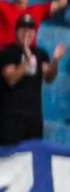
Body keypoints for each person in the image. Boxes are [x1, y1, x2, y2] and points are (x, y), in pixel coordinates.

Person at [0, 14, 64, 145]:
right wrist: (27, 62)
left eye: (30, 29)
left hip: (33, 118)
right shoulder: (7, 52)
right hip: (10, 118)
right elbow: (11, 79)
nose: (26, 32)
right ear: (16, 31)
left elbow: (49, 77)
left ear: (34, 33)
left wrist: (56, 60)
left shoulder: (41, 54)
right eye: (23, 28)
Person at [0, 0, 69, 47]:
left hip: (28, 55)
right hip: (5, 54)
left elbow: (62, 2)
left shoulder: (37, 10)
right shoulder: (3, 5)